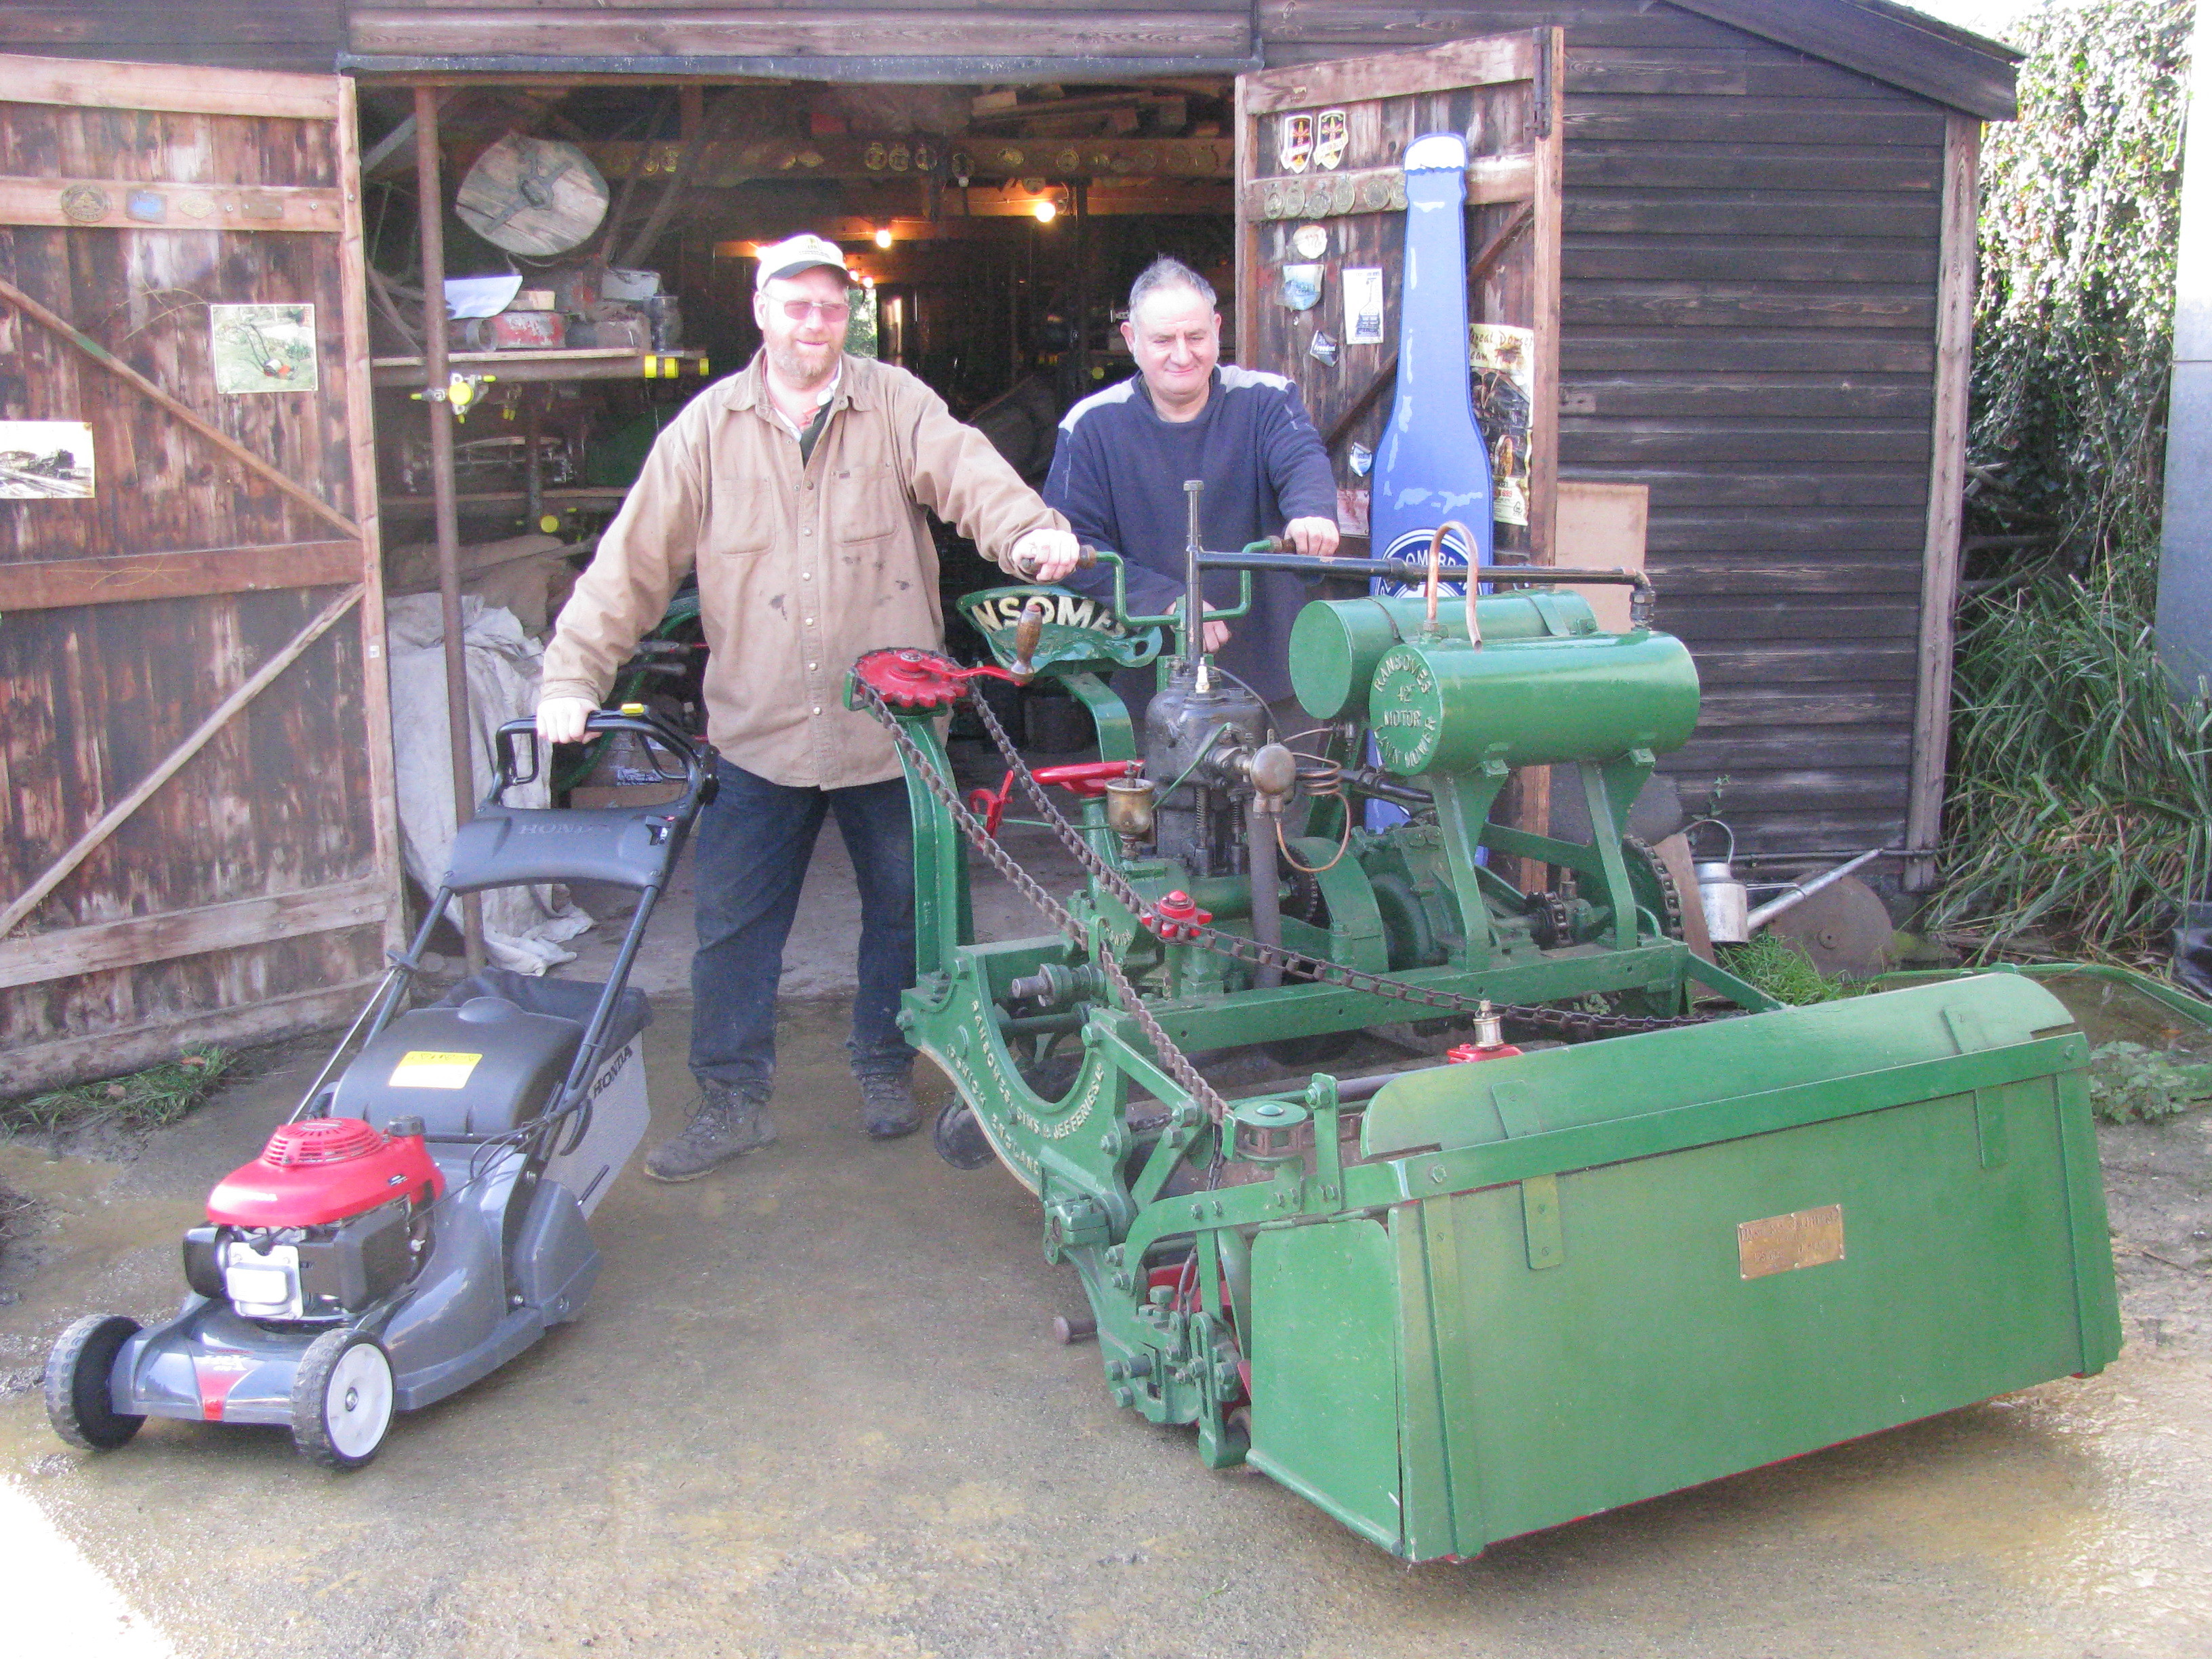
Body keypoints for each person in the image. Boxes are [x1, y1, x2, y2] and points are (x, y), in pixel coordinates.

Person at [537, 232, 1080, 1181]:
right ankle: (732, 1101)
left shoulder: (897, 404)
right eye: (797, 305)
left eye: (831, 307)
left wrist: (1029, 534)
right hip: (760, 735)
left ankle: (883, 1066)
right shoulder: (706, 431)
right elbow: (627, 568)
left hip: (891, 732)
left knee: (909, 912)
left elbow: (969, 475)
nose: (815, 324)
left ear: (847, 317)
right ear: (762, 311)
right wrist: (570, 682)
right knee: (734, 926)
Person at [1043, 256, 1339, 709]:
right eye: (1163, 340)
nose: (1183, 355)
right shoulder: (1090, 426)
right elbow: (1074, 544)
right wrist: (1171, 602)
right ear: (1131, 340)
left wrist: (1312, 512)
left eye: (1196, 336)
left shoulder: (1268, 399)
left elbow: (1301, 458)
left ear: (1217, 329)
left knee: (1288, 780)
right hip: (1153, 689)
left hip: (1276, 680)